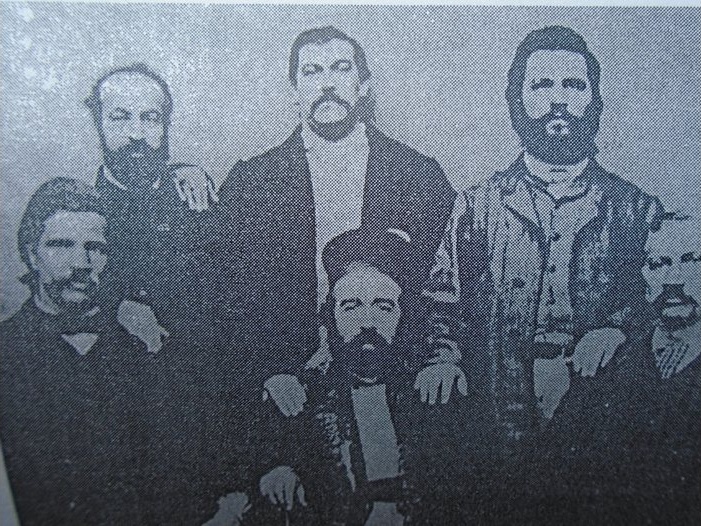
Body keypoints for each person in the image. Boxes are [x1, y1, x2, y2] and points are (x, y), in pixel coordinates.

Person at [423, 25, 663, 516]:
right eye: (541, 86)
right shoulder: (475, 207)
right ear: (517, 102)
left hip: (602, 412)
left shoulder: (635, 210)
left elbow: (664, 302)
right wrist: (442, 359)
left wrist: (619, 329)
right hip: (499, 404)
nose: (558, 101)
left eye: (573, 86)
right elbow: (441, 305)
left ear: (595, 102)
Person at [215, 26, 456, 416]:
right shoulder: (251, 183)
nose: (327, 83)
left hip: (399, 383)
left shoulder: (418, 175)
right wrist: (266, 370)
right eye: (312, 72)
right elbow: (228, 293)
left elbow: (444, 286)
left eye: (341, 68)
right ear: (294, 92)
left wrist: (438, 359)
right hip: (287, 389)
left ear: (363, 86)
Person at [213, 229, 468, 525]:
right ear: (330, 317)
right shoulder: (302, 395)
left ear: (403, 316)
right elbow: (251, 475)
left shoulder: (434, 388)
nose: (367, 322)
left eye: (383, 307)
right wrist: (274, 476)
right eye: (351, 306)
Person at [525, 212, 701, 525]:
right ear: (643, 276)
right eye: (658, 263)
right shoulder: (605, 361)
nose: (672, 279)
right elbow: (551, 474)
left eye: (690, 260)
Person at [0, 178, 156, 525]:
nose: (81, 262)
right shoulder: (6, 350)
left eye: (95, 248)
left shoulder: (144, 345)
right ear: (32, 255)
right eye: (61, 245)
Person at [84, 62, 217, 349]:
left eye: (150, 118)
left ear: (165, 127)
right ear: (98, 125)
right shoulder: (82, 216)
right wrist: (113, 308)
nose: (136, 133)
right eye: (120, 118)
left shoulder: (197, 200)